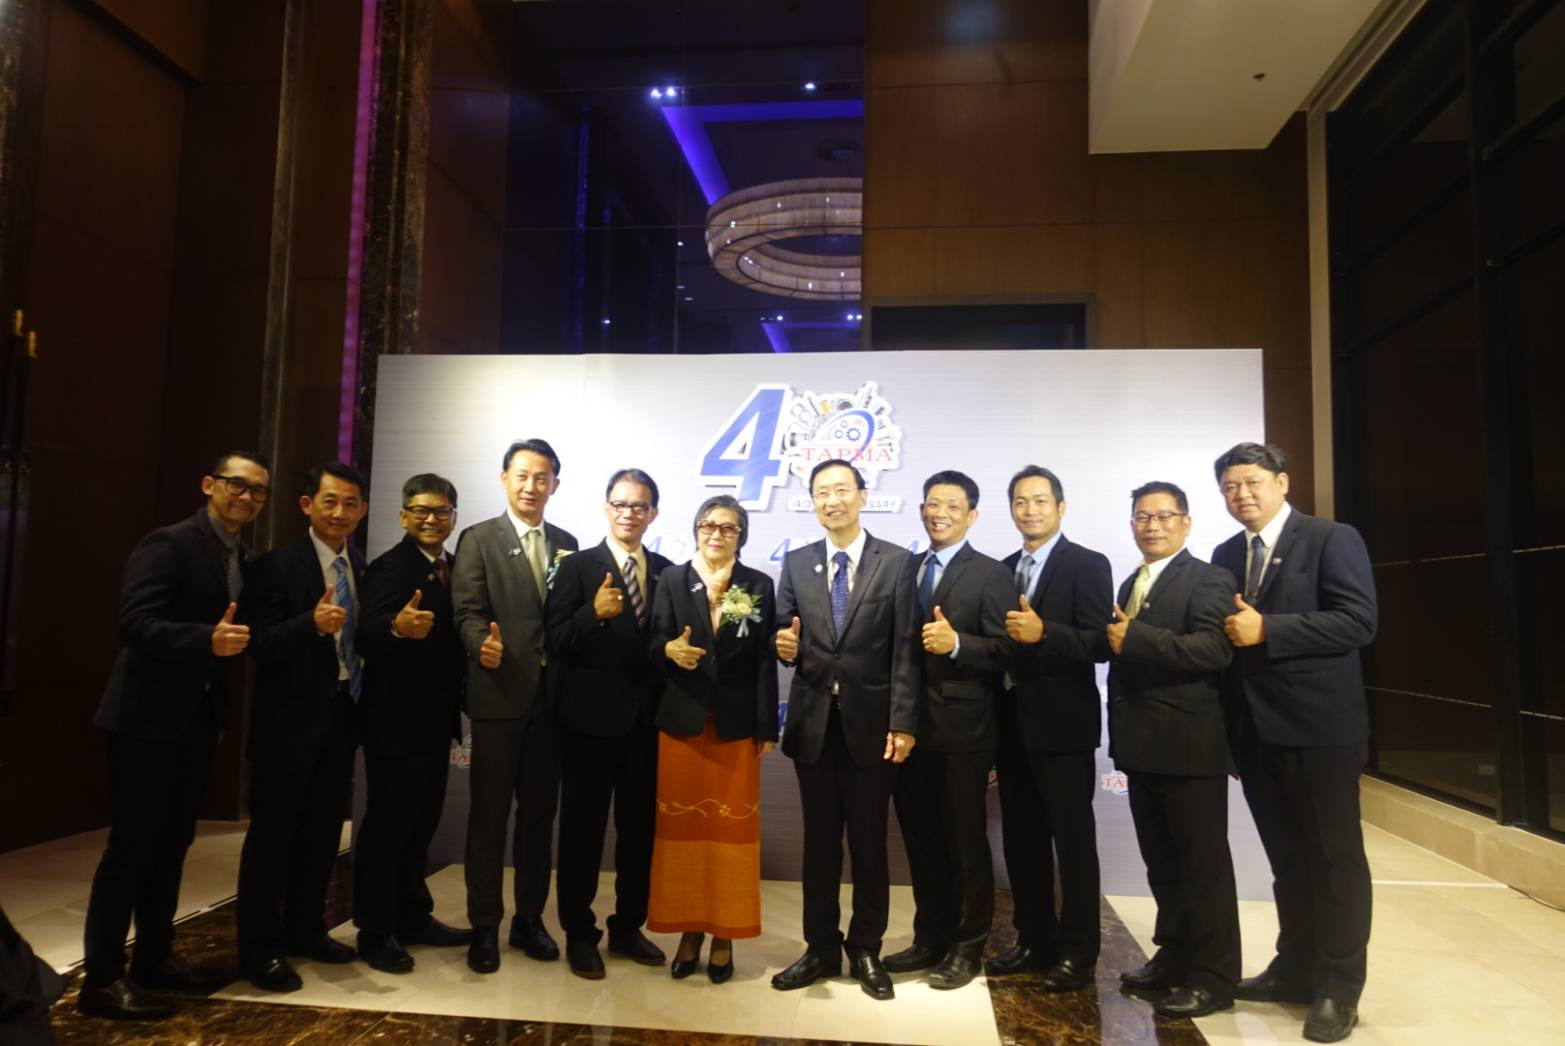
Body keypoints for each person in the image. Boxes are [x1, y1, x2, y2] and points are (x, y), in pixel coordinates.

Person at [79, 452, 271, 1019]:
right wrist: (203, 640)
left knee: (172, 844)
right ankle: (101, 979)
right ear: (209, 484)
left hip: (198, 721)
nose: (247, 497)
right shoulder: (169, 542)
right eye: (237, 485)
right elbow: (135, 623)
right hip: (144, 720)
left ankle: (154, 957)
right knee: (131, 847)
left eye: (258, 491)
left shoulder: (242, 557)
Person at [1211, 442, 1377, 1044]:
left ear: (1282, 482)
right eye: (1230, 487)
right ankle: (1295, 967)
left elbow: (1358, 621)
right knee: (1287, 860)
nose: (1242, 494)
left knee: (1334, 860)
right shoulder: (1226, 553)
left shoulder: (1331, 538)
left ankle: (1339, 985)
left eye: (1252, 482)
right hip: (1256, 733)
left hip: (1321, 731)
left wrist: (1269, 629)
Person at [771, 458, 918, 1002]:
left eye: (841, 490)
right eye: (821, 492)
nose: (832, 500)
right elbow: (785, 632)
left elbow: (906, 650)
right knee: (819, 845)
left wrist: (903, 722)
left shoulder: (896, 563)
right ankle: (819, 948)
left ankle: (866, 949)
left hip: (872, 727)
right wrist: (783, 647)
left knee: (869, 844)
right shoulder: (797, 561)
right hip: (814, 724)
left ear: (862, 496)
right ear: (812, 502)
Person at [1105, 481, 1241, 1018]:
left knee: (1203, 867)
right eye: (1143, 517)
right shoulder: (1133, 580)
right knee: (1163, 865)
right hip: (1142, 747)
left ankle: (1214, 976)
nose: (1152, 526)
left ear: (1186, 522)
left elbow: (1213, 649)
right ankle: (1175, 955)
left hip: (1189, 748)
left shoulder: (1209, 578)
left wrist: (1135, 638)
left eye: (1164, 516)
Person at [236, 462, 370, 992]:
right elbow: (259, 643)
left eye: (351, 503)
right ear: (307, 504)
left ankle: (307, 929)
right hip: (286, 723)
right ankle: (259, 949)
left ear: (362, 510)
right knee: (273, 839)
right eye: (330, 501)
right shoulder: (274, 566)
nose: (340, 512)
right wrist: (307, 624)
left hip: (341, 714)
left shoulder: (360, 566)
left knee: (321, 833)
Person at [453, 438, 578, 974]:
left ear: (555, 484)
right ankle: (484, 926)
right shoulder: (478, 539)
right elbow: (465, 610)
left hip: (551, 707)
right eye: (522, 475)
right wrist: (479, 642)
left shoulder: (568, 543)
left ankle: (529, 919)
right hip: (498, 696)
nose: (531, 486)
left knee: (538, 819)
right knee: (488, 819)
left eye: (542, 477)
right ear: (504, 478)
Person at [884, 471, 1012, 990]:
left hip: (965, 731)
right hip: (908, 731)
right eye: (932, 504)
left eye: (953, 506)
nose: (940, 513)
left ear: (972, 515)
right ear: (921, 511)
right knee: (921, 840)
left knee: (964, 841)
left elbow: (1006, 650)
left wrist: (958, 643)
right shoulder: (904, 568)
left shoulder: (991, 573)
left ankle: (967, 946)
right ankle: (929, 937)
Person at [988, 465, 1113, 991]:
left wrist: (1045, 633)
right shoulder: (1001, 569)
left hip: (1063, 727)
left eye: (1040, 500)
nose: (1030, 509)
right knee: (1023, 840)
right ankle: (1034, 939)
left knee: (1073, 843)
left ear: (1060, 507)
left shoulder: (1088, 563)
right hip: (1010, 727)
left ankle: (1079, 952)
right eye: (1021, 501)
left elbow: (1101, 643)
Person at [646, 494, 779, 984]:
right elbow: (653, 640)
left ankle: (725, 933)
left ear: (741, 536)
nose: (716, 534)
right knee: (682, 835)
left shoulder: (757, 584)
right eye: (708, 525)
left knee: (730, 836)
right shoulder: (671, 579)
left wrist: (766, 726)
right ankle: (688, 931)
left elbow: (764, 661)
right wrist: (668, 650)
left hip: (735, 726)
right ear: (696, 529)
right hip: (682, 723)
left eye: (728, 527)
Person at [545, 468, 672, 978]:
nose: (629, 514)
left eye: (639, 506)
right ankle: (579, 934)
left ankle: (627, 927)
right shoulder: (577, 567)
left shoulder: (666, 572)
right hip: (587, 725)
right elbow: (553, 640)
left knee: (639, 834)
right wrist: (592, 614)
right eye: (621, 504)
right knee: (582, 833)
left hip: (647, 727)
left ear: (653, 514)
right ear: (606, 508)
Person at [351, 473, 473, 973]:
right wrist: (395, 628)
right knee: (388, 825)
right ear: (403, 515)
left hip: (435, 720)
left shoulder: (453, 567)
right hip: (394, 721)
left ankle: (412, 915)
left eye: (441, 511)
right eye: (420, 511)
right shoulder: (389, 567)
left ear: (454, 517)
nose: (431, 519)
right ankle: (375, 930)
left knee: (420, 824)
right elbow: (364, 635)